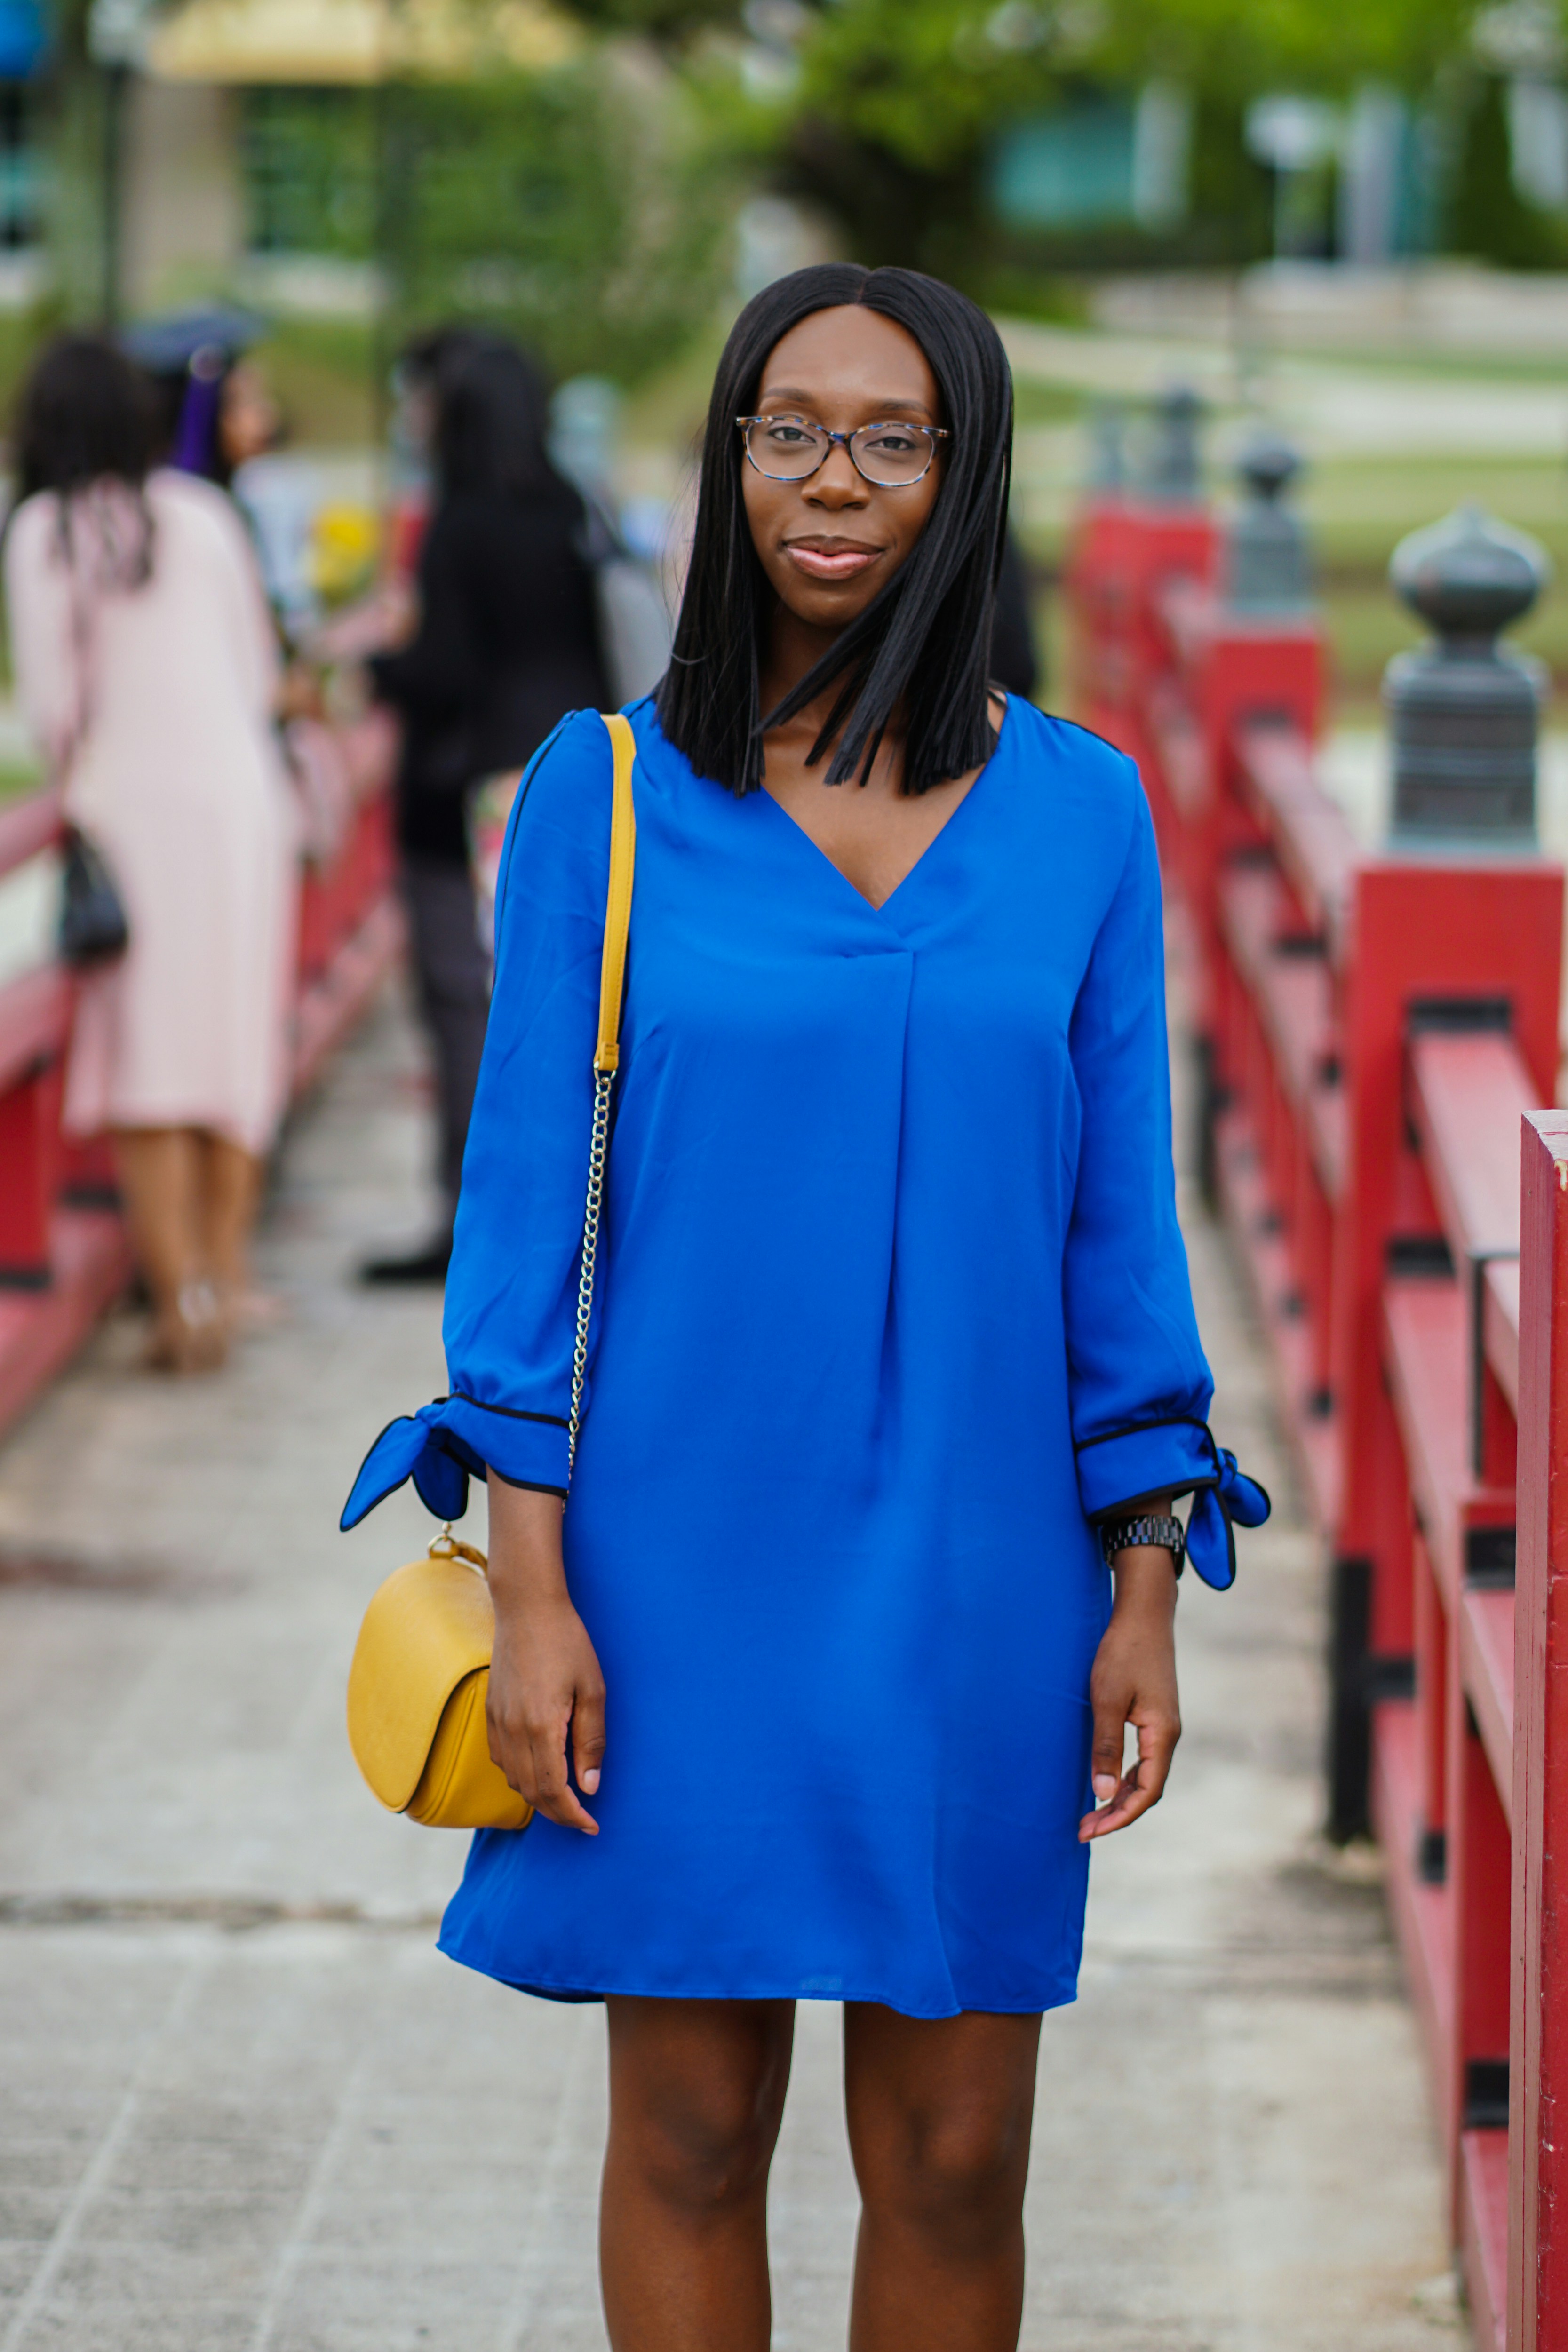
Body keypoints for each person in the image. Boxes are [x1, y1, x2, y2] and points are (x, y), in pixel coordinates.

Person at [342, 265, 1268, 2351]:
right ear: (726, 457)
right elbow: (527, 1237)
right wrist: (532, 1589)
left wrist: (1141, 1578)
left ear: (961, 475)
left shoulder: (1081, 812)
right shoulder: (598, 793)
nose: (827, 482)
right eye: (785, 429)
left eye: (886, 436)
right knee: (686, 2126)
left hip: (984, 1568)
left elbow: (1116, 1225)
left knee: (954, 2148)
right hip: (667, 1567)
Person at [5, 334, 298, 1372]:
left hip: (136, 814)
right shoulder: (203, 512)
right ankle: (224, 1272)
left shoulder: (47, 530)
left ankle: (182, 1304)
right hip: (243, 807)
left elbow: (53, 709)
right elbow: (260, 672)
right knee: (232, 1050)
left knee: (146, 1063)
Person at [362, 332, 610, 1285]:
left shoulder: (459, 521)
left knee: (471, 1001)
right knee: (572, 1003)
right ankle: (569, 1220)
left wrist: (370, 668)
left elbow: (445, 670)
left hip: (476, 787)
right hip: (578, 774)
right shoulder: (571, 508)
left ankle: (474, 1221)